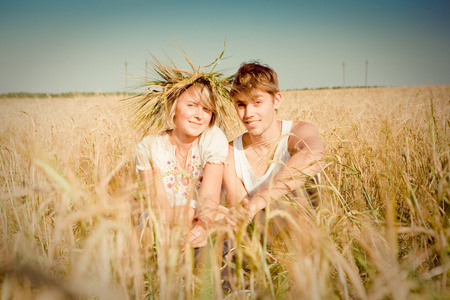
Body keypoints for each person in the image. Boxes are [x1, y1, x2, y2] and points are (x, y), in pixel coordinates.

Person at [131, 56, 236, 248]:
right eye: (191, 105)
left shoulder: (212, 139)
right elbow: (159, 207)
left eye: (206, 109)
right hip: (160, 224)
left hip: (205, 218)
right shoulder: (148, 148)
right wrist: (188, 213)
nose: (199, 115)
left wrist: (202, 227)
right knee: (144, 235)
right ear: (173, 108)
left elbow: (209, 198)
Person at [223, 61, 325, 229]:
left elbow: (314, 155)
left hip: (305, 238)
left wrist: (259, 202)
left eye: (257, 102)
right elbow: (243, 214)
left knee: (304, 186)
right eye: (241, 104)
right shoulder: (231, 153)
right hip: (263, 241)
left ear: (276, 100)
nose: (249, 114)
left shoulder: (298, 132)